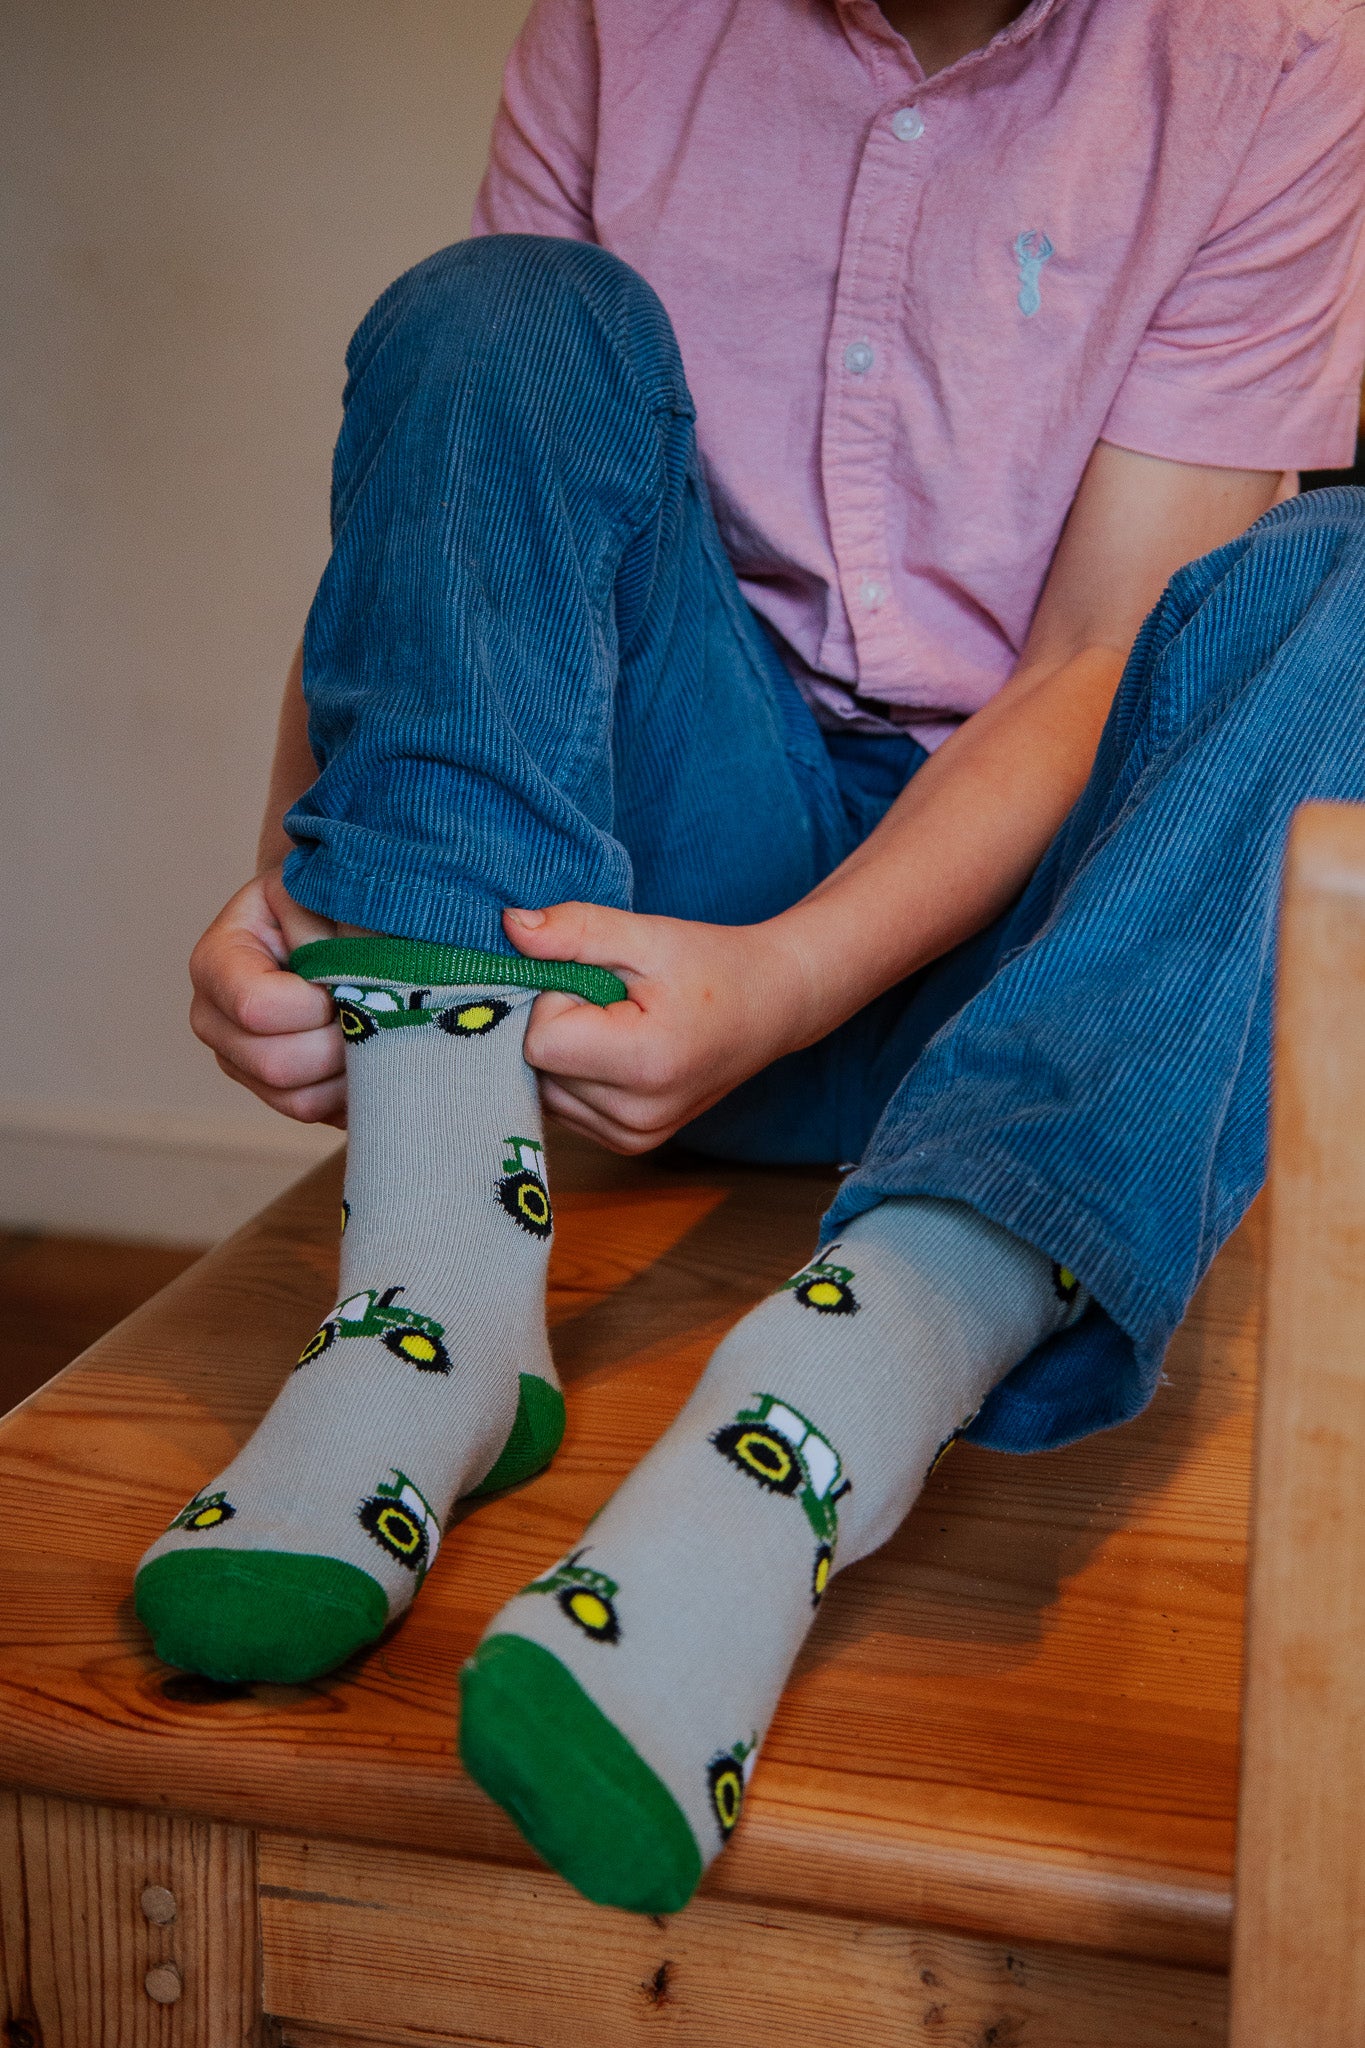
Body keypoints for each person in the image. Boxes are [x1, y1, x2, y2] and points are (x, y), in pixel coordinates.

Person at [134, 0, 1365, 1914]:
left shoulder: (1276, 49)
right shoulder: (621, 17)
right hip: (653, 912)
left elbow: (1095, 654)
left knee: (1349, 584)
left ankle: (819, 1411)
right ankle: (430, 1306)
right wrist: (299, 886)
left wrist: (791, 981)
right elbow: (466, 491)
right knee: (492, 313)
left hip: (1025, 973)